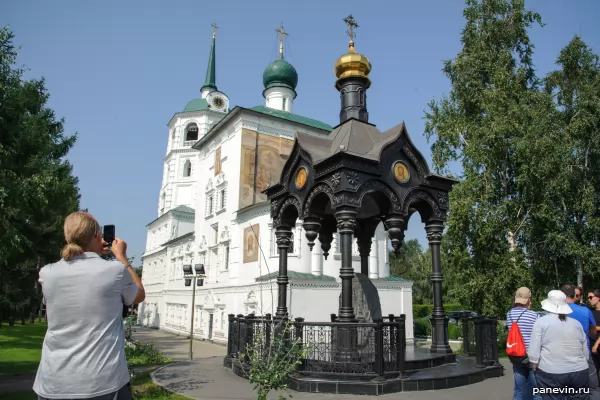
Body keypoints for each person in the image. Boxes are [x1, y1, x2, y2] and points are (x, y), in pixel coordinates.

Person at [33, 212, 145, 400]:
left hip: (53, 382)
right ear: (98, 236)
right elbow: (139, 295)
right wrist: (122, 258)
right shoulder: (115, 270)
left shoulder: (47, 273)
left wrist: (91, 253)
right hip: (103, 383)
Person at [528, 290, 589, 399]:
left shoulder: (541, 322)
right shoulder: (576, 323)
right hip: (579, 371)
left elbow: (534, 351)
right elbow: (585, 351)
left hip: (552, 372)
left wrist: (534, 366)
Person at [506, 287, 541, 400]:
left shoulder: (509, 314)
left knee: (519, 391)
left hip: (516, 356)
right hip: (531, 356)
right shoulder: (534, 315)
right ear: (529, 300)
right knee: (536, 392)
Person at [590, 290, 600, 378]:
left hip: (597, 343)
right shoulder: (590, 311)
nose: (589, 300)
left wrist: (595, 327)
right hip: (591, 343)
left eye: (591, 297)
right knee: (594, 372)